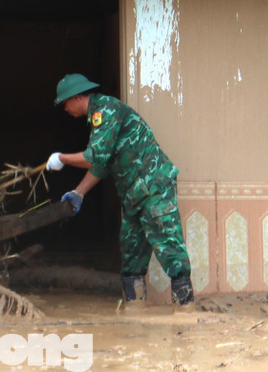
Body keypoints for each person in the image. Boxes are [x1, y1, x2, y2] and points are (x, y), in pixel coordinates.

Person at [46, 73, 194, 307]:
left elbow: (95, 156)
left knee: (169, 247)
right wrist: (79, 193)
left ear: (76, 97)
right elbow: (102, 165)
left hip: (153, 187)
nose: (65, 108)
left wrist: (62, 158)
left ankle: (186, 310)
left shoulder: (106, 110)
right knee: (131, 252)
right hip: (133, 194)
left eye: (65, 103)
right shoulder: (97, 117)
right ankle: (135, 310)